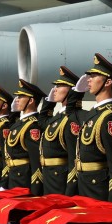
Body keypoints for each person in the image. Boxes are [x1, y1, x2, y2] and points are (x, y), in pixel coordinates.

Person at [73, 54, 112, 204]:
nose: (88, 79)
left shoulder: (110, 116)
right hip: (85, 185)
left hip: (99, 190)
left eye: (94, 76)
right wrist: (76, 92)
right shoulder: (94, 113)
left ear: (108, 82)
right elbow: (71, 113)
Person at [39, 67, 83, 196]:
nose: (55, 89)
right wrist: (49, 102)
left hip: (61, 180)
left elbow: (74, 159)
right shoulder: (57, 117)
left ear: (71, 90)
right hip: (50, 178)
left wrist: (70, 189)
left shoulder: (71, 119)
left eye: (60, 86)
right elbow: (42, 123)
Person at [2, 79, 49, 193]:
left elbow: (36, 161)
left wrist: (35, 190)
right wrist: (4, 182)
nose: (17, 100)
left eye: (21, 97)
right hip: (13, 178)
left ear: (31, 100)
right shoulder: (17, 124)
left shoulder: (33, 126)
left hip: (24, 180)